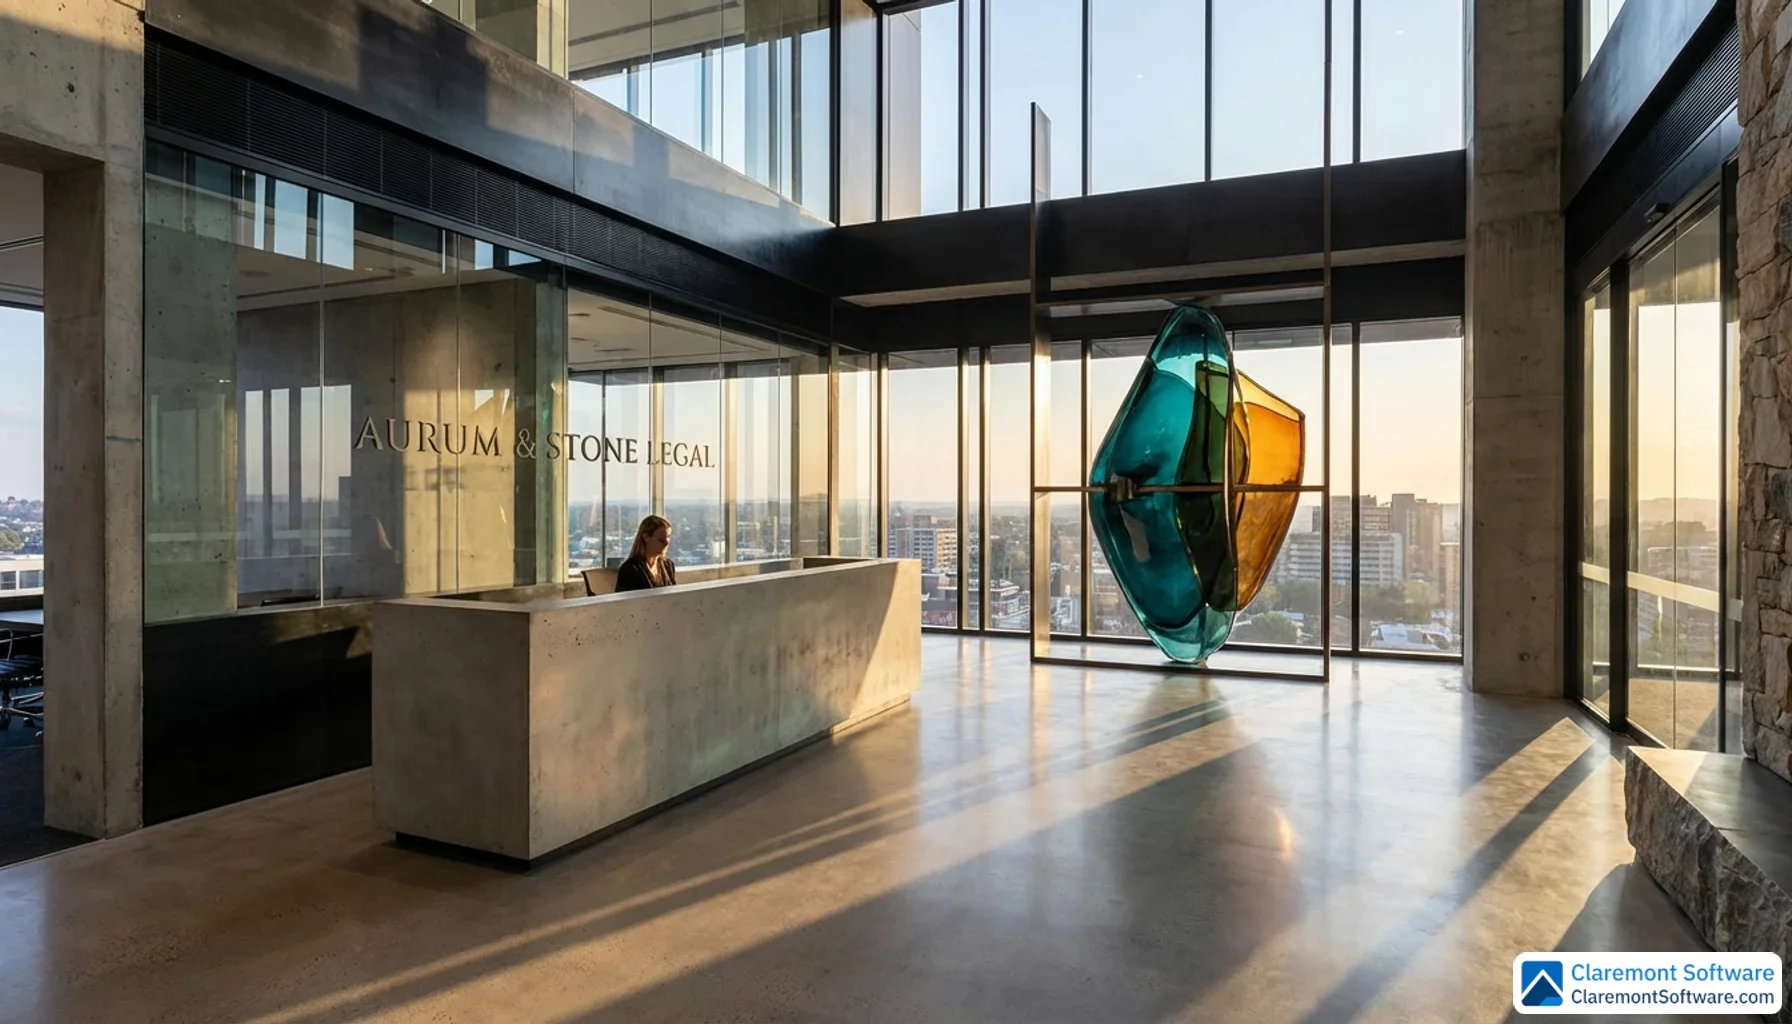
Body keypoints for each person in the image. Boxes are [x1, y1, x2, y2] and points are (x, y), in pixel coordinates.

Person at [615, 515, 677, 592]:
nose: (666, 543)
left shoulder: (668, 565)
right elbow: (623, 602)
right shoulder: (630, 569)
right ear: (646, 537)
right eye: (661, 540)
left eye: (668, 537)